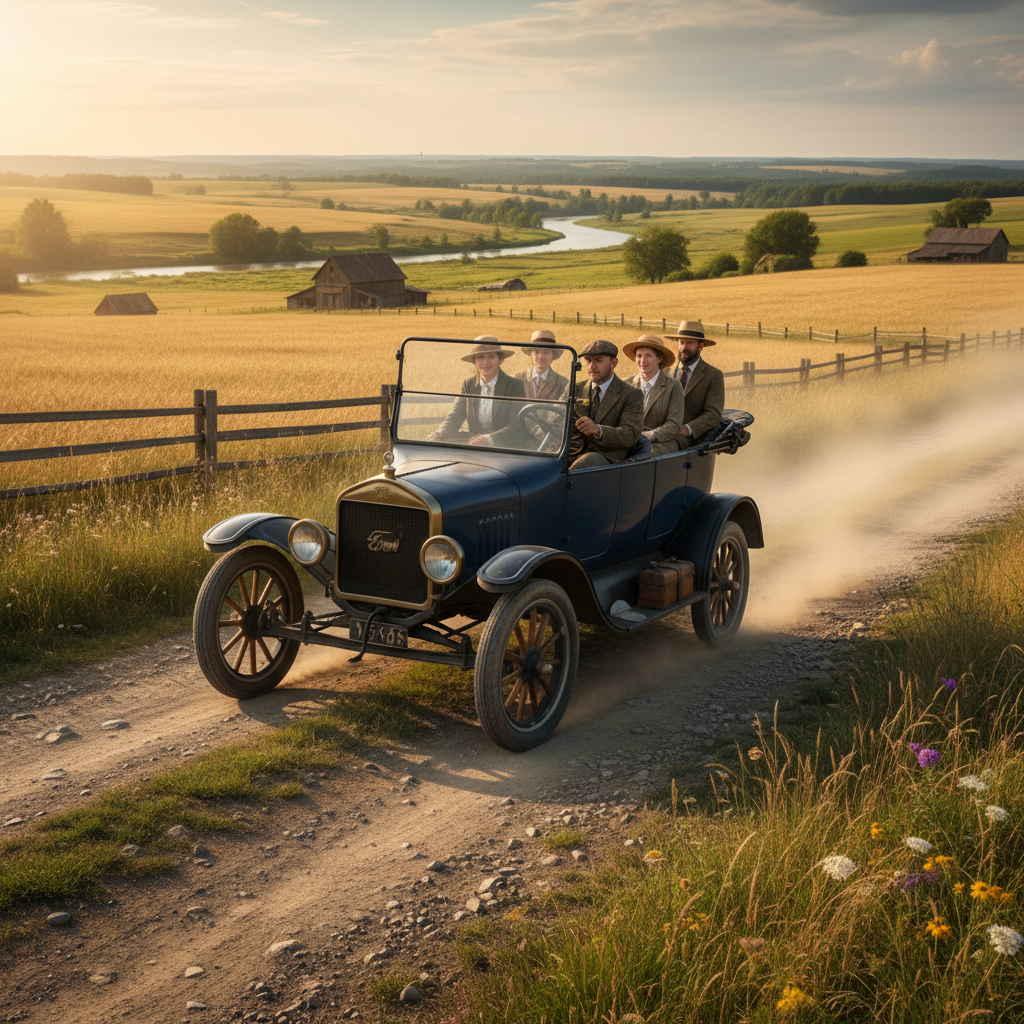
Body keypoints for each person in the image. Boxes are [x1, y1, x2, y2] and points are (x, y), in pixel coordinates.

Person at [426, 337, 526, 447]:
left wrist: (489, 439)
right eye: (480, 357)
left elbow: (516, 426)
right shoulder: (468, 384)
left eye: (491, 357)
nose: (485, 362)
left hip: (504, 448)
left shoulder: (515, 385)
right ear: (474, 360)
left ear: (500, 360)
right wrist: (439, 434)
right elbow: (456, 415)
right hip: (474, 446)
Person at [561, 339, 644, 469]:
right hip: (571, 452)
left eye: (598, 360)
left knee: (587, 461)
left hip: (607, 459)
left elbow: (630, 434)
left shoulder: (631, 394)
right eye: (588, 360)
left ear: (614, 363)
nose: (592, 366)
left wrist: (598, 430)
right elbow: (554, 418)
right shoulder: (573, 389)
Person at [622, 334, 685, 456]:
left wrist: (651, 435)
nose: (642, 361)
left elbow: (674, 425)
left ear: (659, 358)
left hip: (660, 444)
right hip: (627, 442)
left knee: (643, 455)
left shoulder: (673, 387)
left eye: (648, 356)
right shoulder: (625, 384)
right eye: (639, 356)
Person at [665, 320, 725, 448]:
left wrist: (686, 429)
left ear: (701, 346)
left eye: (689, 343)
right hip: (660, 433)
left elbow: (713, 415)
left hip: (688, 440)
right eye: (681, 342)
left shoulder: (713, 376)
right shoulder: (665, 373)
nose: (684, 347)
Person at [514, 329, 569, 400]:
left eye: (545, 352)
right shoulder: (516, 379)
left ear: (553, 355)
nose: (540, 357)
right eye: (536, 352)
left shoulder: (563, 384)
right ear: (531, 354)